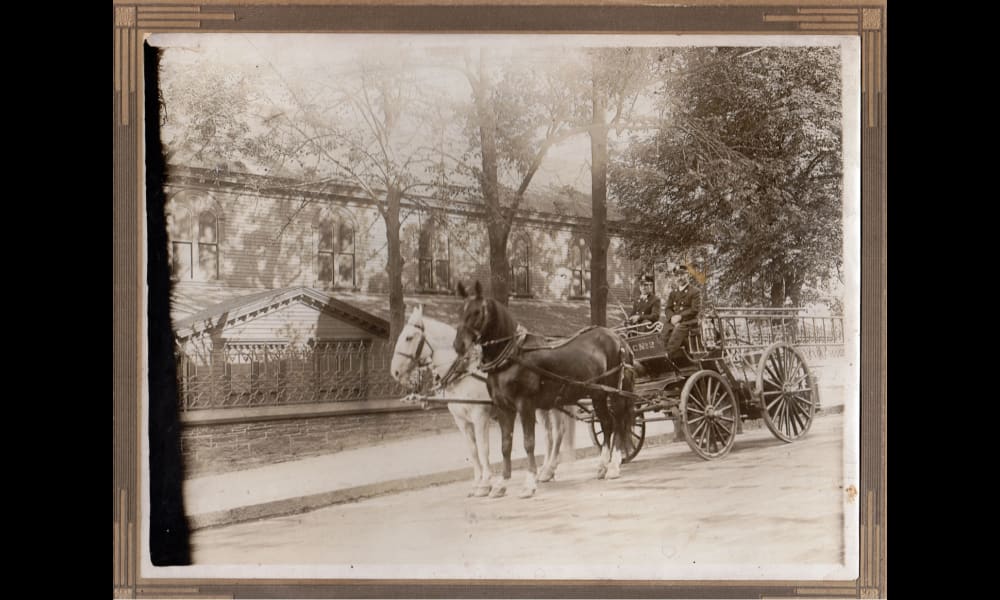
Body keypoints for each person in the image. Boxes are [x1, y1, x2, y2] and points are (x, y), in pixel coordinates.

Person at [661, 265, 702, 368]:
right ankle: (660, 355)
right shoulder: (673, 293)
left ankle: (667, 356)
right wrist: (672, 318)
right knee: (664, 330)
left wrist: (680, 317)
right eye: (677, 275)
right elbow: (668, 308)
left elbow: (694, 310)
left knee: (678, 329)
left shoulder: (695, 291)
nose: (680, 278)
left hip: (690, 322)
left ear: (687, 275)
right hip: (674, 321)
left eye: (682, 274)